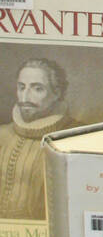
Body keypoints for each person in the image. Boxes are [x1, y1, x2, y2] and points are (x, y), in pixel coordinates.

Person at [0, 59, 78, 220]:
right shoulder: (3, 134)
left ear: (57, 92)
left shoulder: (76, 137)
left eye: (37, 88)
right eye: (22, 87)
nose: (25, 97)